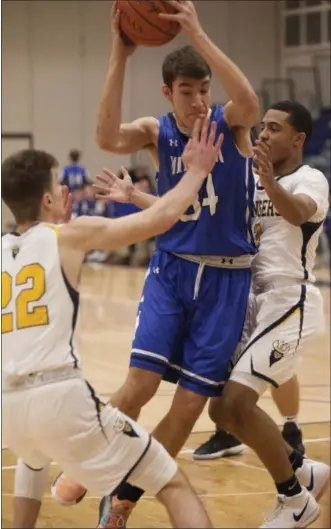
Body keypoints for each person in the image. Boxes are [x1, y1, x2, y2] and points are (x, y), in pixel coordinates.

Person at [54, 0, 261, 524]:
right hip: (172, 271)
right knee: (138, 387)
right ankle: (84, 460)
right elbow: (105, 137)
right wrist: (119, 54)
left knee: (188, 407)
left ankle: (121, 500)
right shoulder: (156, 131)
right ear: (168, 93)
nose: (197, 100)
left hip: (226, 282)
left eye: (203, 89)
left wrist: (198, 30)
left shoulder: (230, 123)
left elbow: (251, 100)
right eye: (186, 91)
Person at [2, 116, 221, 529]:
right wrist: (196, 171)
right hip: (59, 396)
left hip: (8, 406)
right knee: (171, 483)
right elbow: (159, 220)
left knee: (30, 465)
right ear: (48, 200)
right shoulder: (70, 234)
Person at [193, 101, 330, 527]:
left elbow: (298, 212)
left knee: (236, 401)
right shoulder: (251, 182)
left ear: (298, 138)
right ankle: (305, 471)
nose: (264, 134)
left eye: (274, 128)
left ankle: (295, 501)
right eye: (262, 128)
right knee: (221, 410)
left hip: (291, 300)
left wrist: (268, 180)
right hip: (249, 301)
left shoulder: (311, 179)